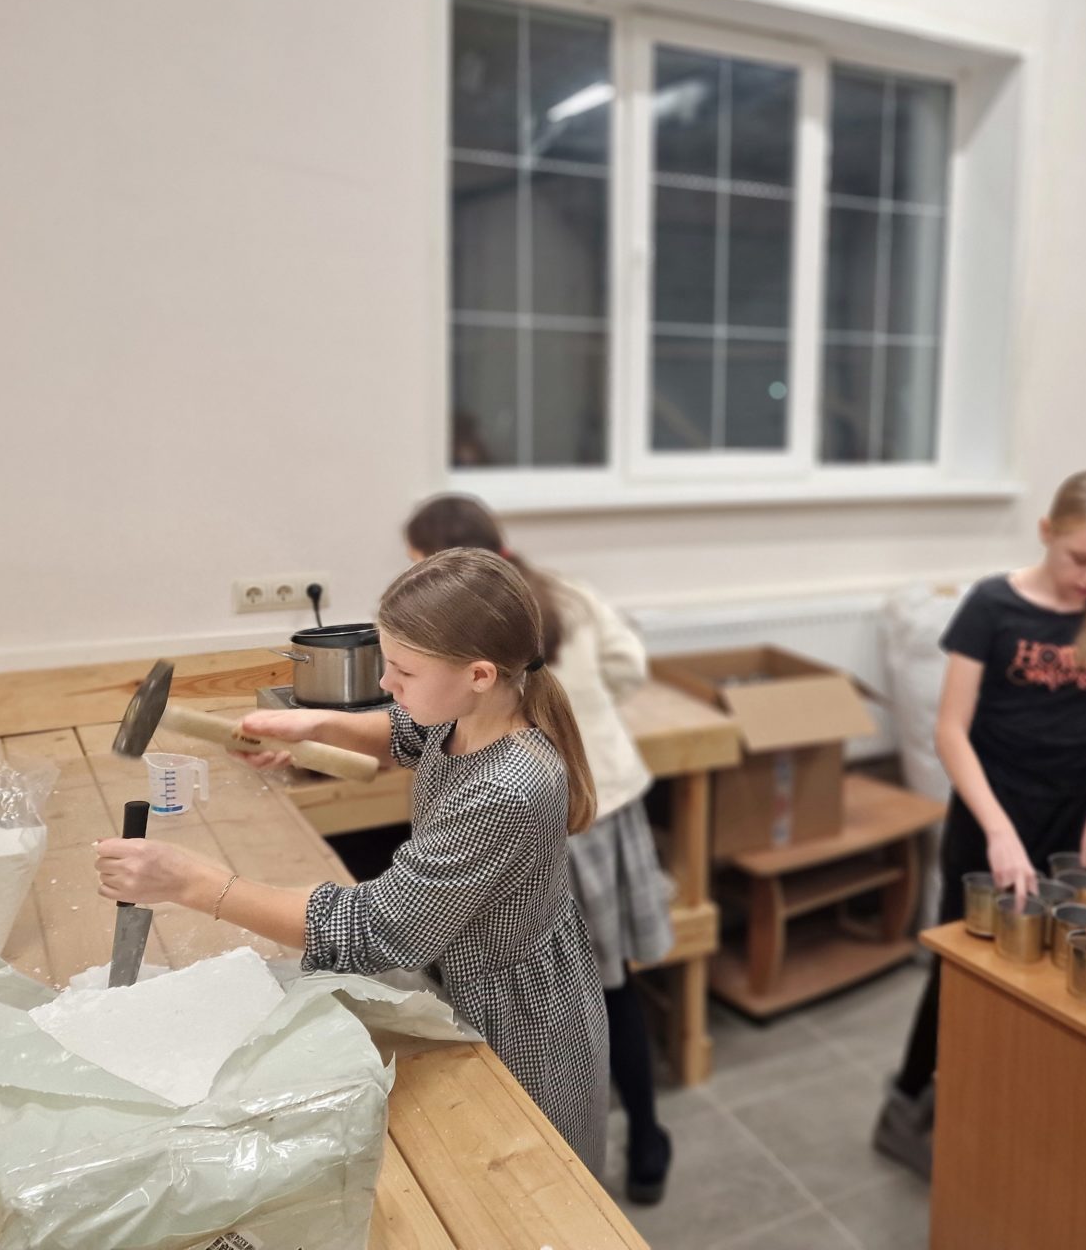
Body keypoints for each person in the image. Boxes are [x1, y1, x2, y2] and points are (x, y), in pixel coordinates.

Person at [93, 548, 609, 1171]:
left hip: (513, 1017)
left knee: (525, 1179)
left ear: (478, 674)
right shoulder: (474, 711)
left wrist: (190, 882)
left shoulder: (508, 789)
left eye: (403, 671)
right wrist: (312, 728)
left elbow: (370, 931)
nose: (386, 685)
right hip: (453, 971)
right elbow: (405, 733)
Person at [873, 469, 1086, 1179]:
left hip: (1073, 820)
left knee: (1056, 961)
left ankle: (1015, 1101)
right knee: (964, 966)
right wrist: (997, 830)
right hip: (990, 817)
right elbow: (951, 731)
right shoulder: (992, 605)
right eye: (1080, 559)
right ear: (1047, 532)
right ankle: (905, 1105)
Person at [404, 494, 676, 1204]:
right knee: (610, 982)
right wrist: (584, 713)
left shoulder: (500, 730)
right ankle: (646, 1139)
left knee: (575, 986)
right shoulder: (566, 593)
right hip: (606, 794)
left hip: (575, 812)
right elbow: (628, 665)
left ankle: (579, 1142)